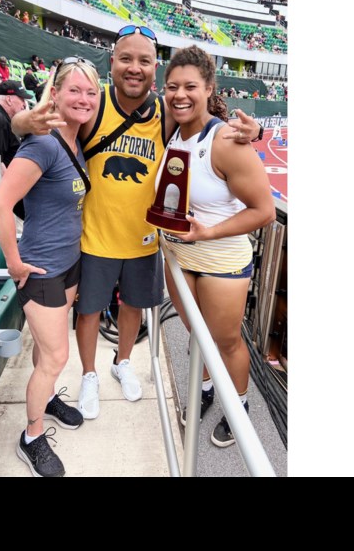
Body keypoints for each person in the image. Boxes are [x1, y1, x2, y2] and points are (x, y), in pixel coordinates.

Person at [12, 26, 260, 421]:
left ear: (154, 69)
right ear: (112, 62)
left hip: (145, 240)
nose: (134, 67)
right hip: (94, 237)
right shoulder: (94, 104)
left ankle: (122, 361)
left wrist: (255, 131)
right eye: (126, 58)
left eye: (144, 60)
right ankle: (89, 373)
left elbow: (207, 122)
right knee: (90, 312)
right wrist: (22, 121)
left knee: (132, 309)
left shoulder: (165, 112)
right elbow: (37, 122)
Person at [0, 57, 101, 477]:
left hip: (68, 264)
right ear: (54, 93)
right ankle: (31, 436)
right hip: (41, 270)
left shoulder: (74, 141)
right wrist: (15, 264)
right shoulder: (44, 143)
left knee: (46, 351)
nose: (84, 99)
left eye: (91, 92)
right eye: (74, 89)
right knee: (56, 355)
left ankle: (48, 397)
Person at [158, 45, 275, 447]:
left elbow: (264, 211)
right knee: (195, 331)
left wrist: (206, 233)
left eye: (190, 86)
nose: (179, 94)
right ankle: (205, 390)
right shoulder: (171, 128)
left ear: (209, 88)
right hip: (179, 255)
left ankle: (239, 405)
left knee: (226, 341)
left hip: (219, 259)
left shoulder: (224, 140)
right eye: (172, 86)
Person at [0, 80, 32, 219]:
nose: (24, 104)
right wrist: (10, 187)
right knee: (16, 225)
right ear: (9, 99)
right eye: (21, 98)